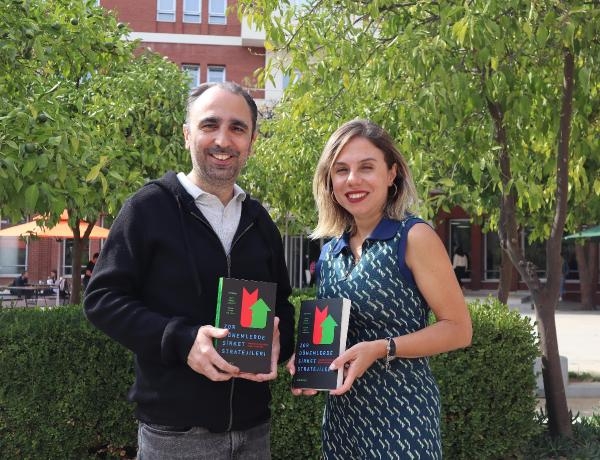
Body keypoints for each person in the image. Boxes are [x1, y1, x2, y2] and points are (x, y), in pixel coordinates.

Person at [83, 81, 295, 460]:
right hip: (176, 436)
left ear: (251, 141)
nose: (223, 140)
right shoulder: (148, 208)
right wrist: (181, 340)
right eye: (209, 125)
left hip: (254, 431)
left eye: (237, 128)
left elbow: (282, 306)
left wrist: (282, 343)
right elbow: (102, 300)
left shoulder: (260, 221)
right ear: (187, 135)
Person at [289, 119, 472, 459]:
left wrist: (382, 348)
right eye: (341, 170)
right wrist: (310, 362)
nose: (352, 179)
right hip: (342, 424)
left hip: (403, 422)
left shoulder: (414, 237)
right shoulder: (330, 252)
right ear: (330, 181)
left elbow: (459, 330)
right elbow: (331, 335)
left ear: (392, 174)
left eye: (366, 167)